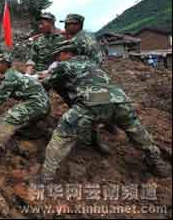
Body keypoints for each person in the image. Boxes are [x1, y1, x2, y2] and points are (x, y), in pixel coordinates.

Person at [37, 44, 170, 183]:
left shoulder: (63, 65)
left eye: (58, 56)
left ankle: (46, 176)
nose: (57, 59)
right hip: (120, 101)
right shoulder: (92, 63)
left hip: (92, 102)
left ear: (66, 53)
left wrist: (40, 79)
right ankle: (158, 164)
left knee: (62, 135)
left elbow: (46, 83)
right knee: (138, 132)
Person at [0, 53, 50, 168]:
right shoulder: (11, 73)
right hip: (42, 104)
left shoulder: (9, 77)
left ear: (4, 64)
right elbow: (3, 93)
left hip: (37, 104)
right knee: (21, 115)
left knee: (8, 118)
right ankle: (30, 129)